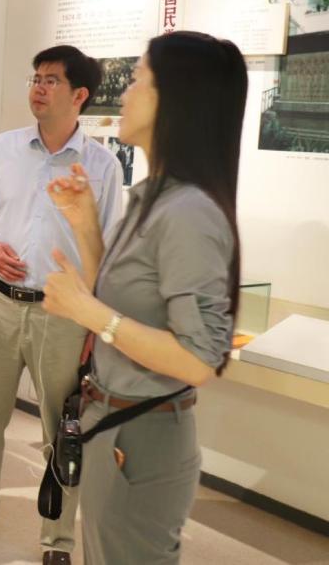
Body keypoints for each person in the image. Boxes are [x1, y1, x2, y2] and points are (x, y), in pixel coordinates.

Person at [42, 31, 246, 564]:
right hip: (115, 425)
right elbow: (121, 299)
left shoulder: (189, 212)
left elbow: (198, 360)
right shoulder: (151, 196)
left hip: (144, 436)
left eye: (137, 79)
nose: (124, 92)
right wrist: (86, 225)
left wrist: (88, 312)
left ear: (173, 98)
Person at [0, 45, 122, 565]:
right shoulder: (5, 148)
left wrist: (95, 325)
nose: (38, 87)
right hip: (0, 303)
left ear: (79, 95)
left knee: (61, 432)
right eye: (35, 77)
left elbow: (108, 250)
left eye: (51, 80)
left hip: (63, 314)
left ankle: (57, 542)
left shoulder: (102, 166)